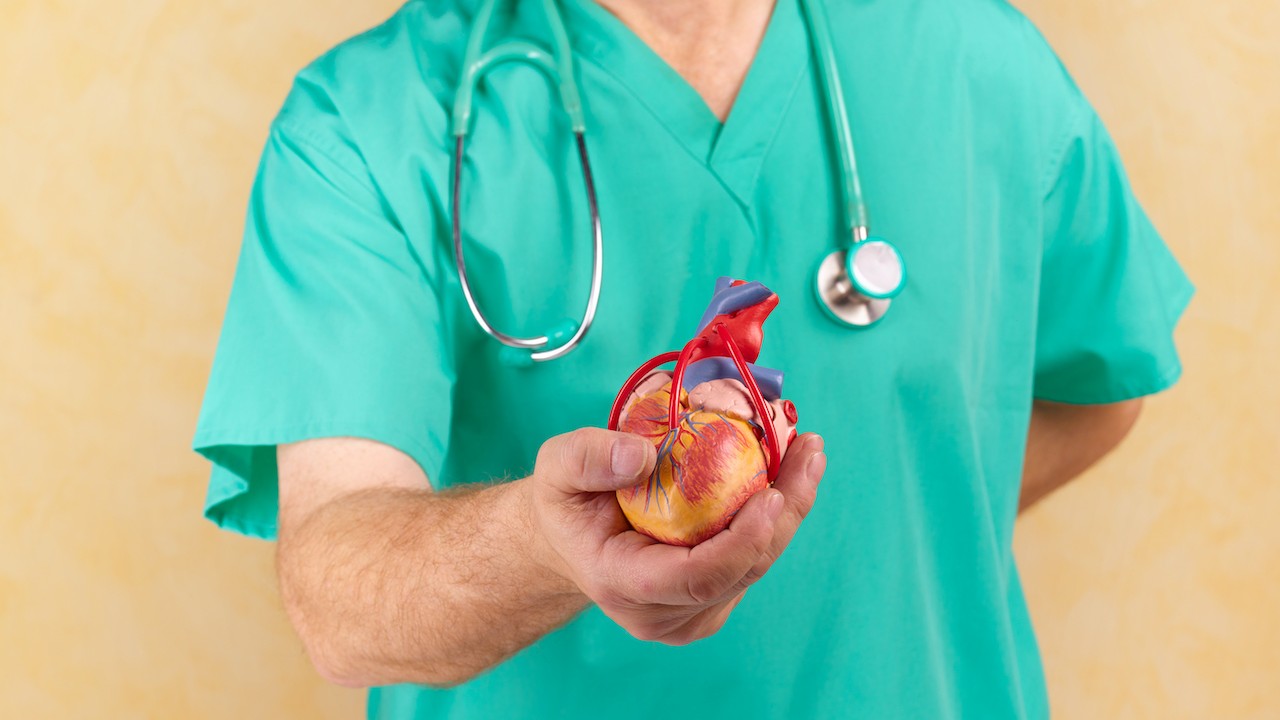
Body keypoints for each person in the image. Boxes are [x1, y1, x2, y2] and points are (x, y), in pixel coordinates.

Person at [193, 0, 1193, 716]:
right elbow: (338, 598)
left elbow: (1096, 388)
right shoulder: (365, 124)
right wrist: (550, 547)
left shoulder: (979, 65)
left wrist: (852, 539)